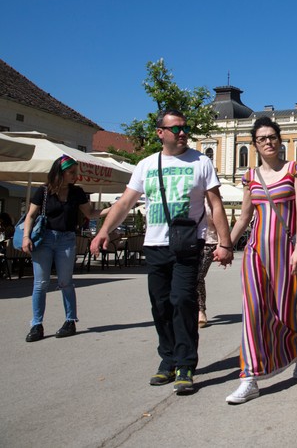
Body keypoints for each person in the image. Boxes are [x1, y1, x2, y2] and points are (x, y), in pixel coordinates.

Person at [92, 109, 234, 395]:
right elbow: (124, 203)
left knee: (182, 300)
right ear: (160, 133)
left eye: (185, 128)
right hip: (155, 245)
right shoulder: (145, 165)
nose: (182, 133)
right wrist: (103, 230)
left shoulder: (201, 162)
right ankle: (167, 359)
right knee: (160, 305)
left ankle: (185, 364)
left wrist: (225, 242)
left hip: (187, 244)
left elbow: (215, 204)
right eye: (175, 129)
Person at [225, 116, 297, 404]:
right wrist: (225, 244)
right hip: (255, 253)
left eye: (272, 137)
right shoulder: (250, 177)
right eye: (262, 138)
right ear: (254, 144)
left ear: (280, 140)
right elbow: (244, 217)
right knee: (253, 311)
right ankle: (250, 378)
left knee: (287, 308)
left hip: (286, 253)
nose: (268, 141)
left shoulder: (294, 170)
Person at [21, 155, 111, 342]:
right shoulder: (44, 191)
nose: (75, 176)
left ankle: (70, 320)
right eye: (71, 172)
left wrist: (117, 207)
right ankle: (36, 324)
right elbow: (30, 215)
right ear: (59, 173)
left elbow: (91, 214)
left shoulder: (77, 192)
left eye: (75, 172)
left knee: (65, 282)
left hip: (66, 239)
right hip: (44, 239)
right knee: (40, 283)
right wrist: (26, 237)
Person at [197, 201, 218, 328]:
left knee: (198, 276)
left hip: (209, 243)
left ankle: (200, 310)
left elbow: (220, 224)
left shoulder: (211, 202)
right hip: (190, 242)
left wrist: (223, 245)